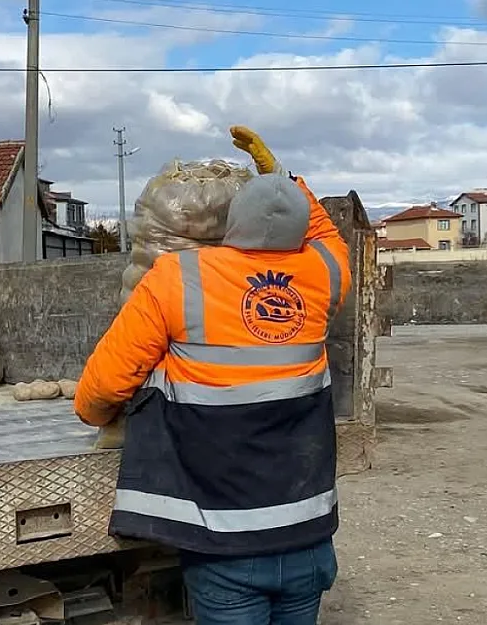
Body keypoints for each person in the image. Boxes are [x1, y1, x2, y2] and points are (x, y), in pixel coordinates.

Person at [74, 125, 351, 624]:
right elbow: (327, 234)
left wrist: (96, 415)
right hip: (310, 537)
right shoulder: (325, 276)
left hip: (227, 547)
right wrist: (281, 175)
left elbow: (106, 384)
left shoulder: (179, 276)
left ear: (230, 225)